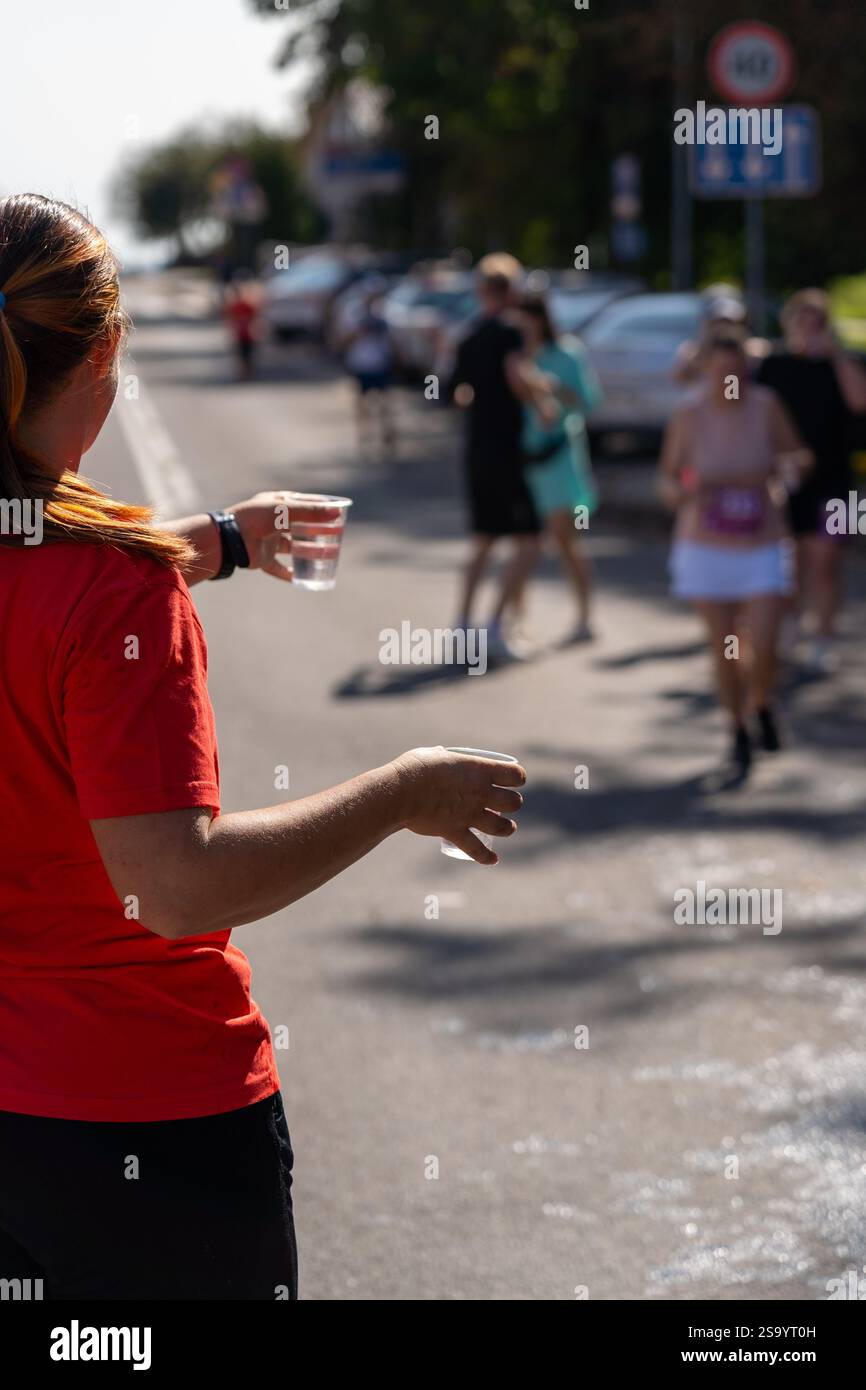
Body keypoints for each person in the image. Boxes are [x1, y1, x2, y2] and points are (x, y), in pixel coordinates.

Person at [0, 194, 527, 1300]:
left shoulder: (99, 579)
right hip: (140, 1116)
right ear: (105, 351)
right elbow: (171, 889)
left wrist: (216, 544)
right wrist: (404, 790)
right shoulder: (108, 590)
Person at [659, 328, 812, 778]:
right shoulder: (688, 413)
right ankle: (736, 727)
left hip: (761, 543)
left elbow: (799, 454)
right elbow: (667, 478)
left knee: (764, 644)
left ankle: (761, 700)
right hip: (706, 549)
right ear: (705, 368)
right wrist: (686, 492)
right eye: (721, 369)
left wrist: (788, 466)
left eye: (738, 369)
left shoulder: (766, 405)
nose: (731, 378)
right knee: (726, 649)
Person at [449, 253, 554, 661]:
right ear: (509, 291)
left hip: (477, 449)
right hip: (507, 451)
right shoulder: (511, 331)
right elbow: (516, 374)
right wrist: (540, 400)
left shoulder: (468, 335)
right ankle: (494, 625)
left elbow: (457, 393)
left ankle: (462, 626)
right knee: (530, 542)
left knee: (483, 541)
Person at [756, 288, 866, 672]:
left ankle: (824, 636)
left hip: (838, 482)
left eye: (817, 322)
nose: (809, 329)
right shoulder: (774, 366)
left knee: (827, 560)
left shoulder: (845, 364)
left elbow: (859, 402)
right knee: (789, 563)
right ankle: (792, 626)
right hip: (784, 481)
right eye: (802, 320)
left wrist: (834, 354)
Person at [513, 292, 602, 641]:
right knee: (523, 544)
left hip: (560, 458)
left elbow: (588, 403)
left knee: (566, 539)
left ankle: (584, 617)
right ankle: (517, 618)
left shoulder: (567, 354)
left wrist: (551, 388)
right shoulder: (513, 354)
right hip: (524, 459)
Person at [340, 287, 397, 459]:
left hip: (379, 365)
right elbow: (343, 340)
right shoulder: (354, 317)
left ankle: (387, 435)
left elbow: (392, 341)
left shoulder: (383, 317)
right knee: (362, 404)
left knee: (383, 403)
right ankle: (365, 437)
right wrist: (359, 331)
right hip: (361, 365)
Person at [222, 269, 261, 381]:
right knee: (243, 355)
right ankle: (244, 373)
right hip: (242, 334)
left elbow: (255, 318)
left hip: (247, 334)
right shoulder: (236, 306)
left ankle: (246, 373)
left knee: (246, 355)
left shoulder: (246, 305)